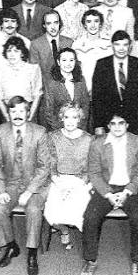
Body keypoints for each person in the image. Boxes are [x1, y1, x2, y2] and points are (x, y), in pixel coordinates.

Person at [80, 113, 138, 275]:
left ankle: (137, 261)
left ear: (127, 125)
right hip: (106, 188)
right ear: (108, 126)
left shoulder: (137, 142)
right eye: (113, 123)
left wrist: (127, 192)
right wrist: (108, 194)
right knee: (90, 217)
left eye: (121, 123)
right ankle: (90, 260)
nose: (117, 127)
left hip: (129, 189)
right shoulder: (97, 143)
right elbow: (94, 173)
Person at [0, 96, 51, 275]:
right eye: (13, 111)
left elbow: (44, 167)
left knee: (33, 209)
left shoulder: (40, 132)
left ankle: (32, 253)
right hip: (11, 183)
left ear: (28, 112)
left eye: (21, 111)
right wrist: (1, 190)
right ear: (8, 113)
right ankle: (11, 246)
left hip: (35, 184)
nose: (17, 115)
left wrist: (29, 191)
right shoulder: (0, 131)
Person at [44, 103, 93, 247]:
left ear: (79, 119)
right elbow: (51, 162)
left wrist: (75, 186)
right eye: (67, 117)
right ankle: (63, 230)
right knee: (51, 212)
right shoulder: (53, 137)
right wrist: (58, 183)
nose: (70, 121)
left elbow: (90, 166)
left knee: (80, 209)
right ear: (61, 118)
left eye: (74, 117)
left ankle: (86, 242)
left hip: (80, 181)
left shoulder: (88, 139)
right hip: (58, 179)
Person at [91, 30, 138, 135]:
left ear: (130, 46)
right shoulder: (102, 65)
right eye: (117, 44)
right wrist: (98, 125)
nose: (121, 48)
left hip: (134, 124)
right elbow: (97, 98)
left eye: (125, 45)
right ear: (112, 45)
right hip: (108, 123)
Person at [0, 36, 42, 122]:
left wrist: (30, 116)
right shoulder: (0, 71)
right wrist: (7, 117)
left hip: (28, 112)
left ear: (22, 53)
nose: (12, 54)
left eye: (16, 51)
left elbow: (37, 95)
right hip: (8, 113)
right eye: (9, 51)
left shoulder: (33, 69)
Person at [43, 47, 90, 131]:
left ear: (75, 62)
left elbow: (85, 105)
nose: (68, 64)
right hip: (58, 130)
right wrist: (63, 129)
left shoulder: (81, 80)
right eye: (64, 60)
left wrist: (79, 126)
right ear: (58, 62)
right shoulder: (51, 84)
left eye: (71, 60)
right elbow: (48, 111)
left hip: (79, 129)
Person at [73, 9, 112, 90]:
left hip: (105, 88)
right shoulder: (77, 44)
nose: (93, 25)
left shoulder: (109, 44)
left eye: (96, 21)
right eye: (89, 21)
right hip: (85, 87)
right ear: (84, 25)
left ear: (100, 24)